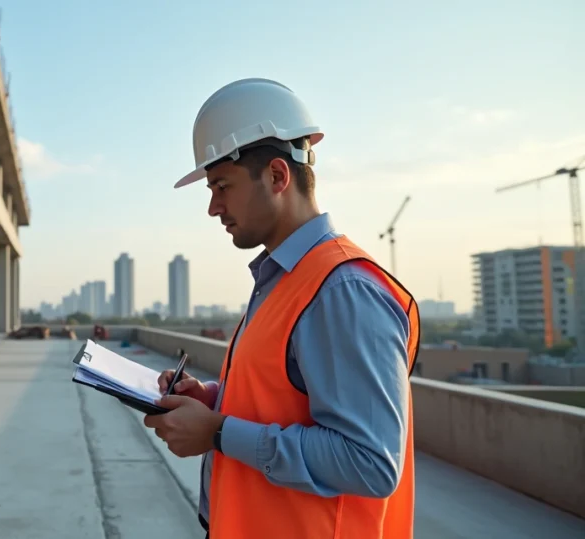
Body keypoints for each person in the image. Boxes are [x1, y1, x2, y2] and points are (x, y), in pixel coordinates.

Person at [141, 78, 421, 539]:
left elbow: (369, 461)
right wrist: (213, 401)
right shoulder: (285, 280)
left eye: (222, 186)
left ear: (276, 176)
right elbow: (287, 397)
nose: (213, 207)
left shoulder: (342, 290)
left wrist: (217, 432)